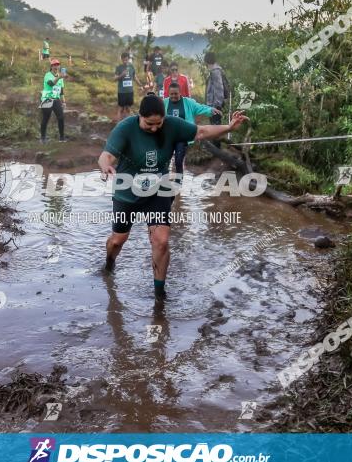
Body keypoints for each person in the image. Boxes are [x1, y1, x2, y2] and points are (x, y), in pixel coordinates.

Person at [98, 94, 249, 299]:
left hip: (158, 190)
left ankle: (160, 294)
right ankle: (109, 264)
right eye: (149, 124)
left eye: (158, 124)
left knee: (161, 241)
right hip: (127, 193)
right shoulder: (126, 128)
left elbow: (202, 131)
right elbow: (106, 155)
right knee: (118, 240)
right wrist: (105, 166)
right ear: (139, 117)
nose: (154, 128)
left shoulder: (173, 125)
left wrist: (229, 127)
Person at [164, 82, 220, 175]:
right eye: (171, 94)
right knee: (165, 162)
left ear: (180, 92)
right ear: (168, 93)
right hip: (168, 137)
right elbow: (155, 113)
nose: (173, 96)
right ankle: (164, 184)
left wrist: (210, 110)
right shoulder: (164, 103)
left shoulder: (188, 102)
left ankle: (178, 184)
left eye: (176, 94)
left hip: (182, 137)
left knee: (178, 161)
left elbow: (200, 107)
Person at [39, 59, 66, 143]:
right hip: (47, 98)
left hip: (56, 99)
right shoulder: (48, 75)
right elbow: (51, 84)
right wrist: (59, 77)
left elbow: (61, 91)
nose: (56, 66)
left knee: (61, 117)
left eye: (58, 65)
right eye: (54, 65)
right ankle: (43, 138)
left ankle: (61, 138)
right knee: (46, 118)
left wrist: (64, 101)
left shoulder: (60, 77)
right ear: (51, 66)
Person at [204, 52, 230, 126]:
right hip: (213, 105)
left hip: (215, 105)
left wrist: (217, 106)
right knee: (215, 125)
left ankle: (217, 138)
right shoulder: (215, 70)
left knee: (215, 126)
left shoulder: (215, 71)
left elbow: (219, 89)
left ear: (206, 61)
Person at [114, 52, 139, 122]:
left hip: (130, 91)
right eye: (124, 60)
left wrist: (140, 85)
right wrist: (121, 75)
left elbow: (135, 77)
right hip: (122, 92)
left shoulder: (131, 67)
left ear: (128, 59)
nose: (125, 61)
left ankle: (127, 125)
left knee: (128, 108)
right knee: (121, 109)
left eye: (126, 60)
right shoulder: (119, 67)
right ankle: (119, 126)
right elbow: (114, 79)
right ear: (121, 59)